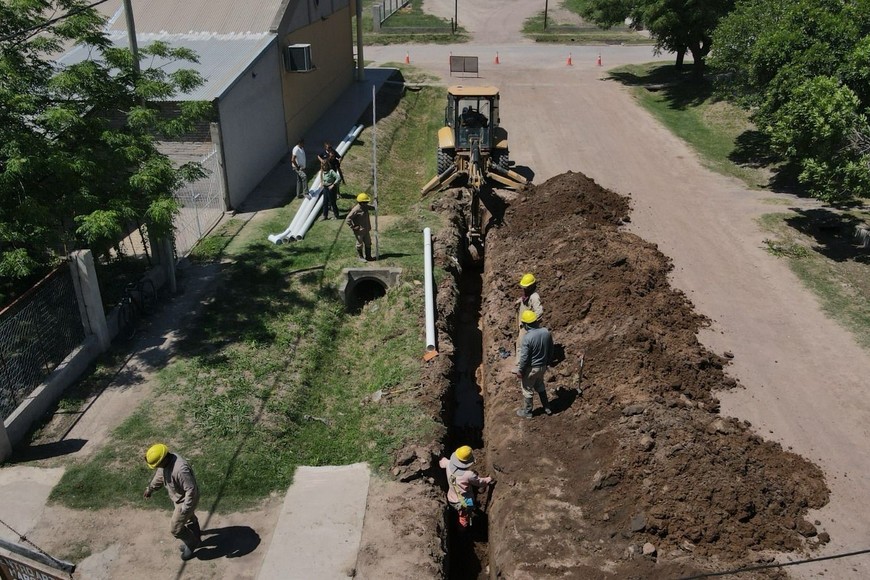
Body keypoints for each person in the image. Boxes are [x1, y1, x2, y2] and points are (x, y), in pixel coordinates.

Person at [143, 443, 202, 561]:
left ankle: (191, 543)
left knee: (175, 529)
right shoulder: (165, 463)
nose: (156, 467)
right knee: (190, 518)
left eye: (156, 465)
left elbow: (191, 490)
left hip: (185, 501)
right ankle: (196, 537)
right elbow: (159, 476)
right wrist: (150, 489)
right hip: (178, 498)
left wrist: (186, 508)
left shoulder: (180, 470)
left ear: (163, 459)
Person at [438, 445, 493, 529]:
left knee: (461, 512)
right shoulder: (468, 475)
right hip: (465, 502)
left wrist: (440, 456)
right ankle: (463, 530)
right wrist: (489, 479)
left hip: (451, 498)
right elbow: (480, 482)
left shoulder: (448, 463)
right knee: (463, 517)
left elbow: (442, 462)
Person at [514, 310, 554, 418]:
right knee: (540, 385)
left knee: (527, 390)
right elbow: (551, 349)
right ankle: (547, 407)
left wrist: (521, 370)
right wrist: (548, 363)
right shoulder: (546, 332)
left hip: (531, 369)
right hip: (542, 367)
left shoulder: (527, 338)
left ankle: (527, 412)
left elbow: (524, 357)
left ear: (526, 324)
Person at [516, 273, 544, 355]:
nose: (524, 289)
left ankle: (521, 365)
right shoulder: (528, 294)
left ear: (531, 286)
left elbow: (539, 312)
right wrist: (519, 301)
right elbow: (525, 300)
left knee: (523, 346)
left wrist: (529, 322)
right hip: (523, 324)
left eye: (526, 287)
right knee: (520, 344)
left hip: (527, 326)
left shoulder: (534, 297)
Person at [345, 192, 373, 261]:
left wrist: (376, 202)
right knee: (359, 244)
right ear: (361, 202)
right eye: (365, 202)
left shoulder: (365, 206)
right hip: (359, 231)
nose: (367, 203)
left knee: (368, 243)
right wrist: (353, 227)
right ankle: (361, 257)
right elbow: (348, 219)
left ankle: (368, 256)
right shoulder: (356, 209)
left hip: (366, 229)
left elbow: (373, 208)